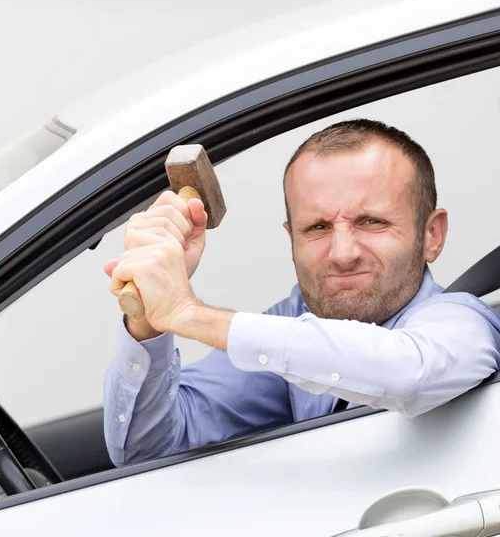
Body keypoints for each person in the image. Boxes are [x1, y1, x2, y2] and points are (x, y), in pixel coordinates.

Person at [102, 118, 500, 466]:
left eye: (372, 222)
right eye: (318, 228)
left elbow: (407, 373)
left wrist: (186, 312)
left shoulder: (462, 324)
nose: (343, 254)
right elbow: (149, 451)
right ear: (291, 239)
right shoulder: (291, 324)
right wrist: (148, 319)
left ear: (432, 235)